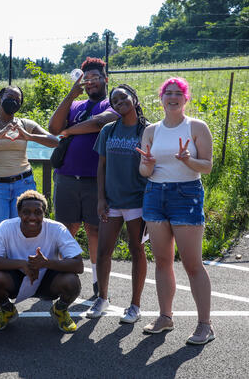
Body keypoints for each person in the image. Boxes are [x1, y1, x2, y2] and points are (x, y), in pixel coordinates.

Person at [0, 86, 59, 310]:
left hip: (23, 185)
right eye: (9, 98)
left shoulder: (25, 123)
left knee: (25, 233)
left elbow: (54, 140)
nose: (13, 102)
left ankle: (31, 284)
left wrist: (28, 136)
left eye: (17, 99)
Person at [136, 77, 214, 345]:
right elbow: (144, 172)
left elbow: (207, 166)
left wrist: (188, 160)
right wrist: (147, 164)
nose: (172, 97)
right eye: (167, 93)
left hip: (187, 194)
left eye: (177, 93)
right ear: (161, 98)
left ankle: (205, 324)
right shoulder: (151, 131)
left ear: (185, 98)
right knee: (162, 261)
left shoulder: (196, 127)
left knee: (192, 264)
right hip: (155, 194)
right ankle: (165, 317)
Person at [48, 57, 119, 297]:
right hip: (66, 177)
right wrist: (70, 95)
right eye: (86, 79)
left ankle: (99, 283)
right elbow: (53, 128)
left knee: (94, 230)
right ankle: (58, 278)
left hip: (96, 180)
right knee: (65, 229)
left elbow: (100, 123)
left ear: (105, 79)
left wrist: (69, 131)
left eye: (95, 78)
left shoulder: (113, 102)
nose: (90, 83)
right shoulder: (75, 105)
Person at [87, 84, 148, 322]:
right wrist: (101, 198)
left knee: (137, 250)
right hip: (112, 201)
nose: (120, 101)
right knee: (103, 251)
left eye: (124, 97)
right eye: (115, 100)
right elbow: (101, 166)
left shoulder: (147, 130)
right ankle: (102, 298)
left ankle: (135, 305)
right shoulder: (108, 131)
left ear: (134, 98)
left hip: (137, 201)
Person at [0, 190, 83, 332]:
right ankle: (7, 311)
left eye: (38, 212)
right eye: (26, 212)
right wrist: (23, 264)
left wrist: (46, 263)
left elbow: (78, 265)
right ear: (18, 213)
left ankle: (60, 310)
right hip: (15, 278)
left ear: (44, 214)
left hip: (48, 279)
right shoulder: (6, 227)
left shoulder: (57, 228)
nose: (32, 217)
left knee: (72, 282)